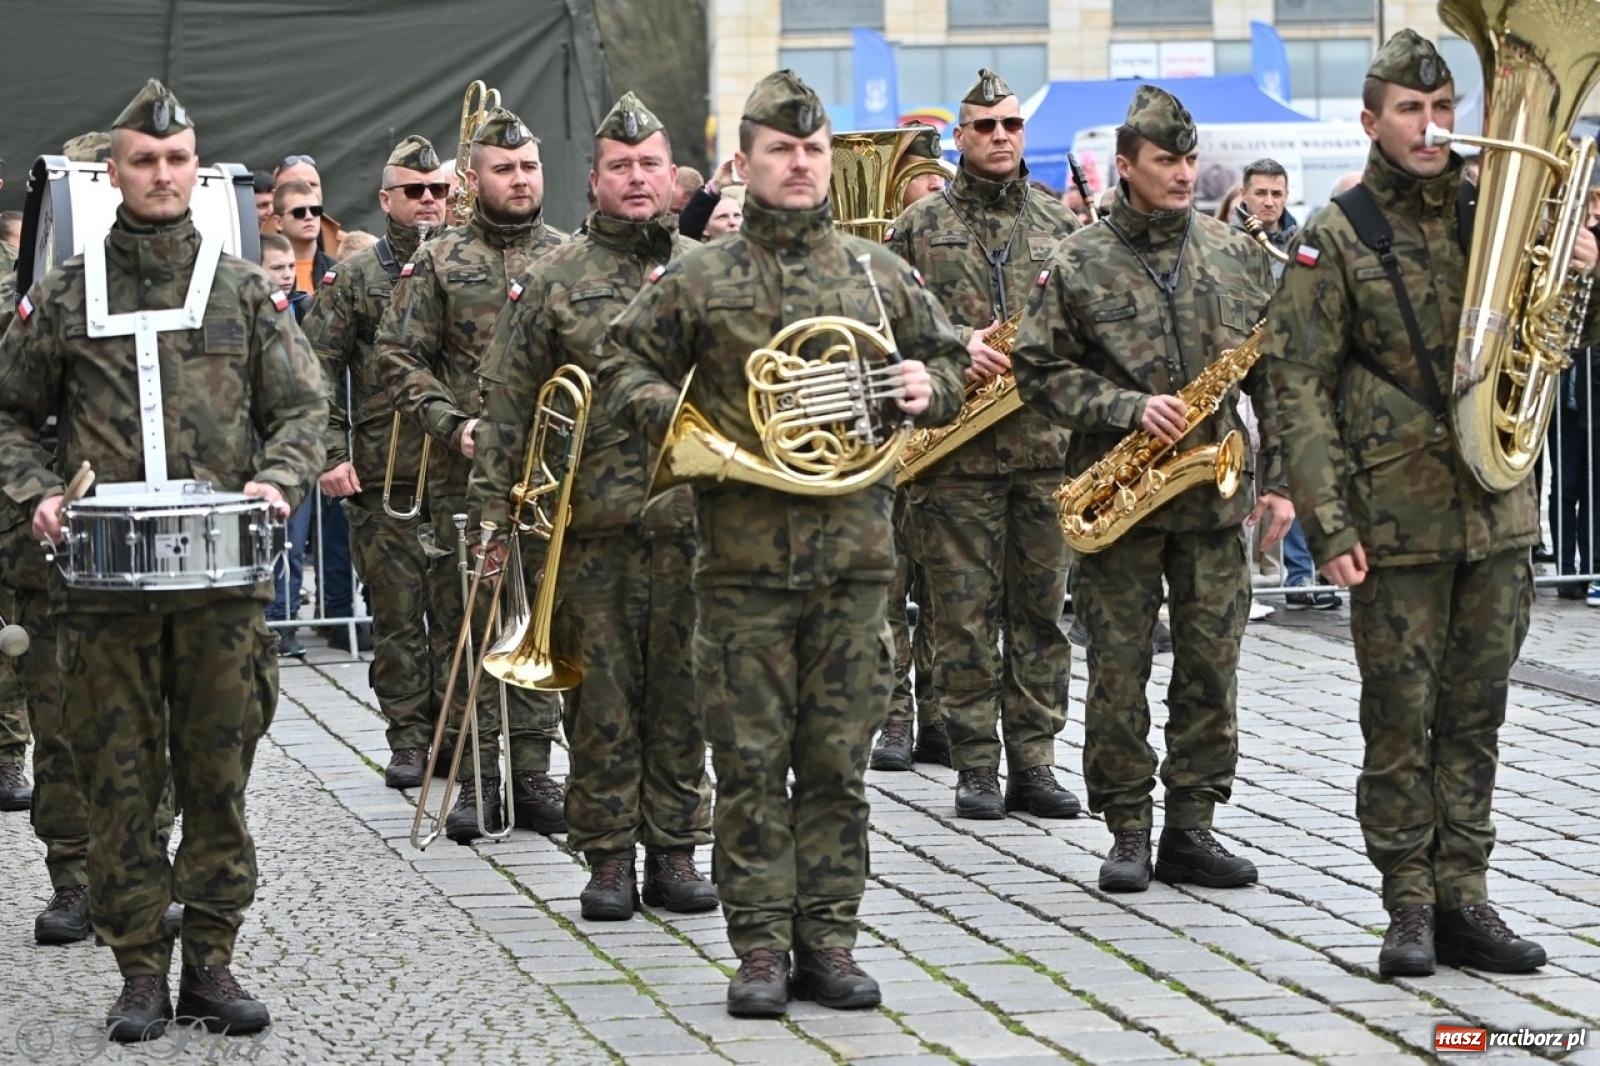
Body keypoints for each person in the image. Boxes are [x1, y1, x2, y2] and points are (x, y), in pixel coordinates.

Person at [598, 70, 967, 1018]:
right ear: (746, 162)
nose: (799, 165)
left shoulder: (876, 273)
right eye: (780, 150)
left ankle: (830, 940)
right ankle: (760, 946)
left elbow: (953, 358)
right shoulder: (698, 274)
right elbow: (621, 362)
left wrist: (934, 388)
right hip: (742, 567)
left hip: (855, 562)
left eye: (812, 150)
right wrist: (680, 423)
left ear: (828, 158)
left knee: (839, 764)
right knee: (753, 762)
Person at [1262, 31, 1599, 977]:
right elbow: (1298, 389)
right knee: (1399, 720)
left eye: (1445, 107)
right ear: (1369, 121)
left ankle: (1467, 897)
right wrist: (1326, 523)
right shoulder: (1334, 234)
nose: (1433, 126)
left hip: (1494, 510)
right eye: (1411, 110)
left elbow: (1559, 339)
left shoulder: (1499, 208)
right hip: (1394, 519)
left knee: (1477, 715)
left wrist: (1583, 270)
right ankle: (1407, 901)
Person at [0, 79, 327, 1040]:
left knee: (217, 775)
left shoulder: (240, 287)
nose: (162, 175)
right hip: (103, 596)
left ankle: (212, 963)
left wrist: (276, 480)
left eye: (178, 159)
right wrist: (39, 494)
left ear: (200, 169)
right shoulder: (61, 296)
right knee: (120, 783)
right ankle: (140, 968)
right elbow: (9, 417)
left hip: (221, 589)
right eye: (144, 161)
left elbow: (305, 409)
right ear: (114, 174)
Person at [1014, 85, 1294, 895]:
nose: (1182, 173)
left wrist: (1280, 486)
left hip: (1213, 495)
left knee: (1212, 667)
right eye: (1166, 161)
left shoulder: (1236, 253)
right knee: (1118, 666)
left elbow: (1273, 375)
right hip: (1121, 498)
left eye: (1190, 160)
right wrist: (1126, 406)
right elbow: (1035, 370)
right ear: (1128, 165)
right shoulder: (1079, 258)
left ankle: (1192, 824)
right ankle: (1128, 825)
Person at [472, 92, 716, 923]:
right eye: (621, 167)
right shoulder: (554, 278)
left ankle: (677, 851)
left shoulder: (706, 269)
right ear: (596, 178)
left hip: (692, 525)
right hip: (591, 535)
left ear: (671, 175)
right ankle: (608, 856)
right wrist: (493, 519)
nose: (638, 179)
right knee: (600, 700)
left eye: (651, 164)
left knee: (683, 695)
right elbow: (508, 402)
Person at [884, 68, 1081, 820]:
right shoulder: (919, 227)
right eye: (985, 127)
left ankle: (1035, 759)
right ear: (959, 138)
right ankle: (974, 764)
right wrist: (952, 343)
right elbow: (887, 333)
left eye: (1010, 125)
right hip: (953, 459)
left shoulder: (1060, 225)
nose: (1000, 137)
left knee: (1039, 615)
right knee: (961, 617)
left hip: (1043, 452)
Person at [377, 106, 569, 842]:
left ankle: (531, 771)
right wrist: (449, 422)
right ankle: (477, 776)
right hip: (467, 476)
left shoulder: (568, 255)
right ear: (473, 180)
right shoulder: (440, 259)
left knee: (540, 619)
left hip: (553, 475)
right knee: (471, 624)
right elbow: (397, 357)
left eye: (528, 168)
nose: (518, 181)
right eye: (503, 169)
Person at [302, 135, 453, 788]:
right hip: (383, 470)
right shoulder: (359, 277)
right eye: (413, 191)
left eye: (437, 191)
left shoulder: (465, 263)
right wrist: (329, 454)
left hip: (458, 470)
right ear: (385, 199)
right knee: (396, 617)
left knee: (458, 618)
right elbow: (314, 367)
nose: (426, 202)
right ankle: (409, 738)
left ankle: (456, 735)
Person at [877, 121, 953, 774]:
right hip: (891, 442)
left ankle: (939, 716)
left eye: (934, 177)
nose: (929, 189)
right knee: (888, 591)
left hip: (956, 444)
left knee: (944, 594)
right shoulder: (879, 252)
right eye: (917, 179)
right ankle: (894, 718)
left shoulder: (959, 240)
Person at [1233, 158, 1336, 610]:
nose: (1269, 202)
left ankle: (1301, 574)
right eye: (1261, 193)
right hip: (1241, 374)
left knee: (1295, 471)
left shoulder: (1301, 243)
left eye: (1277, 193)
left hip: (1290, 370)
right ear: (1245, 195)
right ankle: (1244, 576)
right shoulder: (1228, 244)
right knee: (1241, 475)